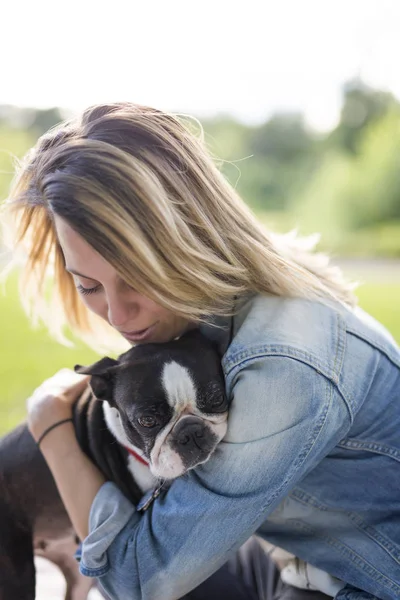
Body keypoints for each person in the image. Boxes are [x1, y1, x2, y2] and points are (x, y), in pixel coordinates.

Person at [2, 102, 399, 600]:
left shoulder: (280, 368)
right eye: (88, 286)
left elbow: (139, 583)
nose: (118, 316)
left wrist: (50, 422)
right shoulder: (223, 312)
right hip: (316, 556)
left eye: (136, 278)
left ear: (186, 238)